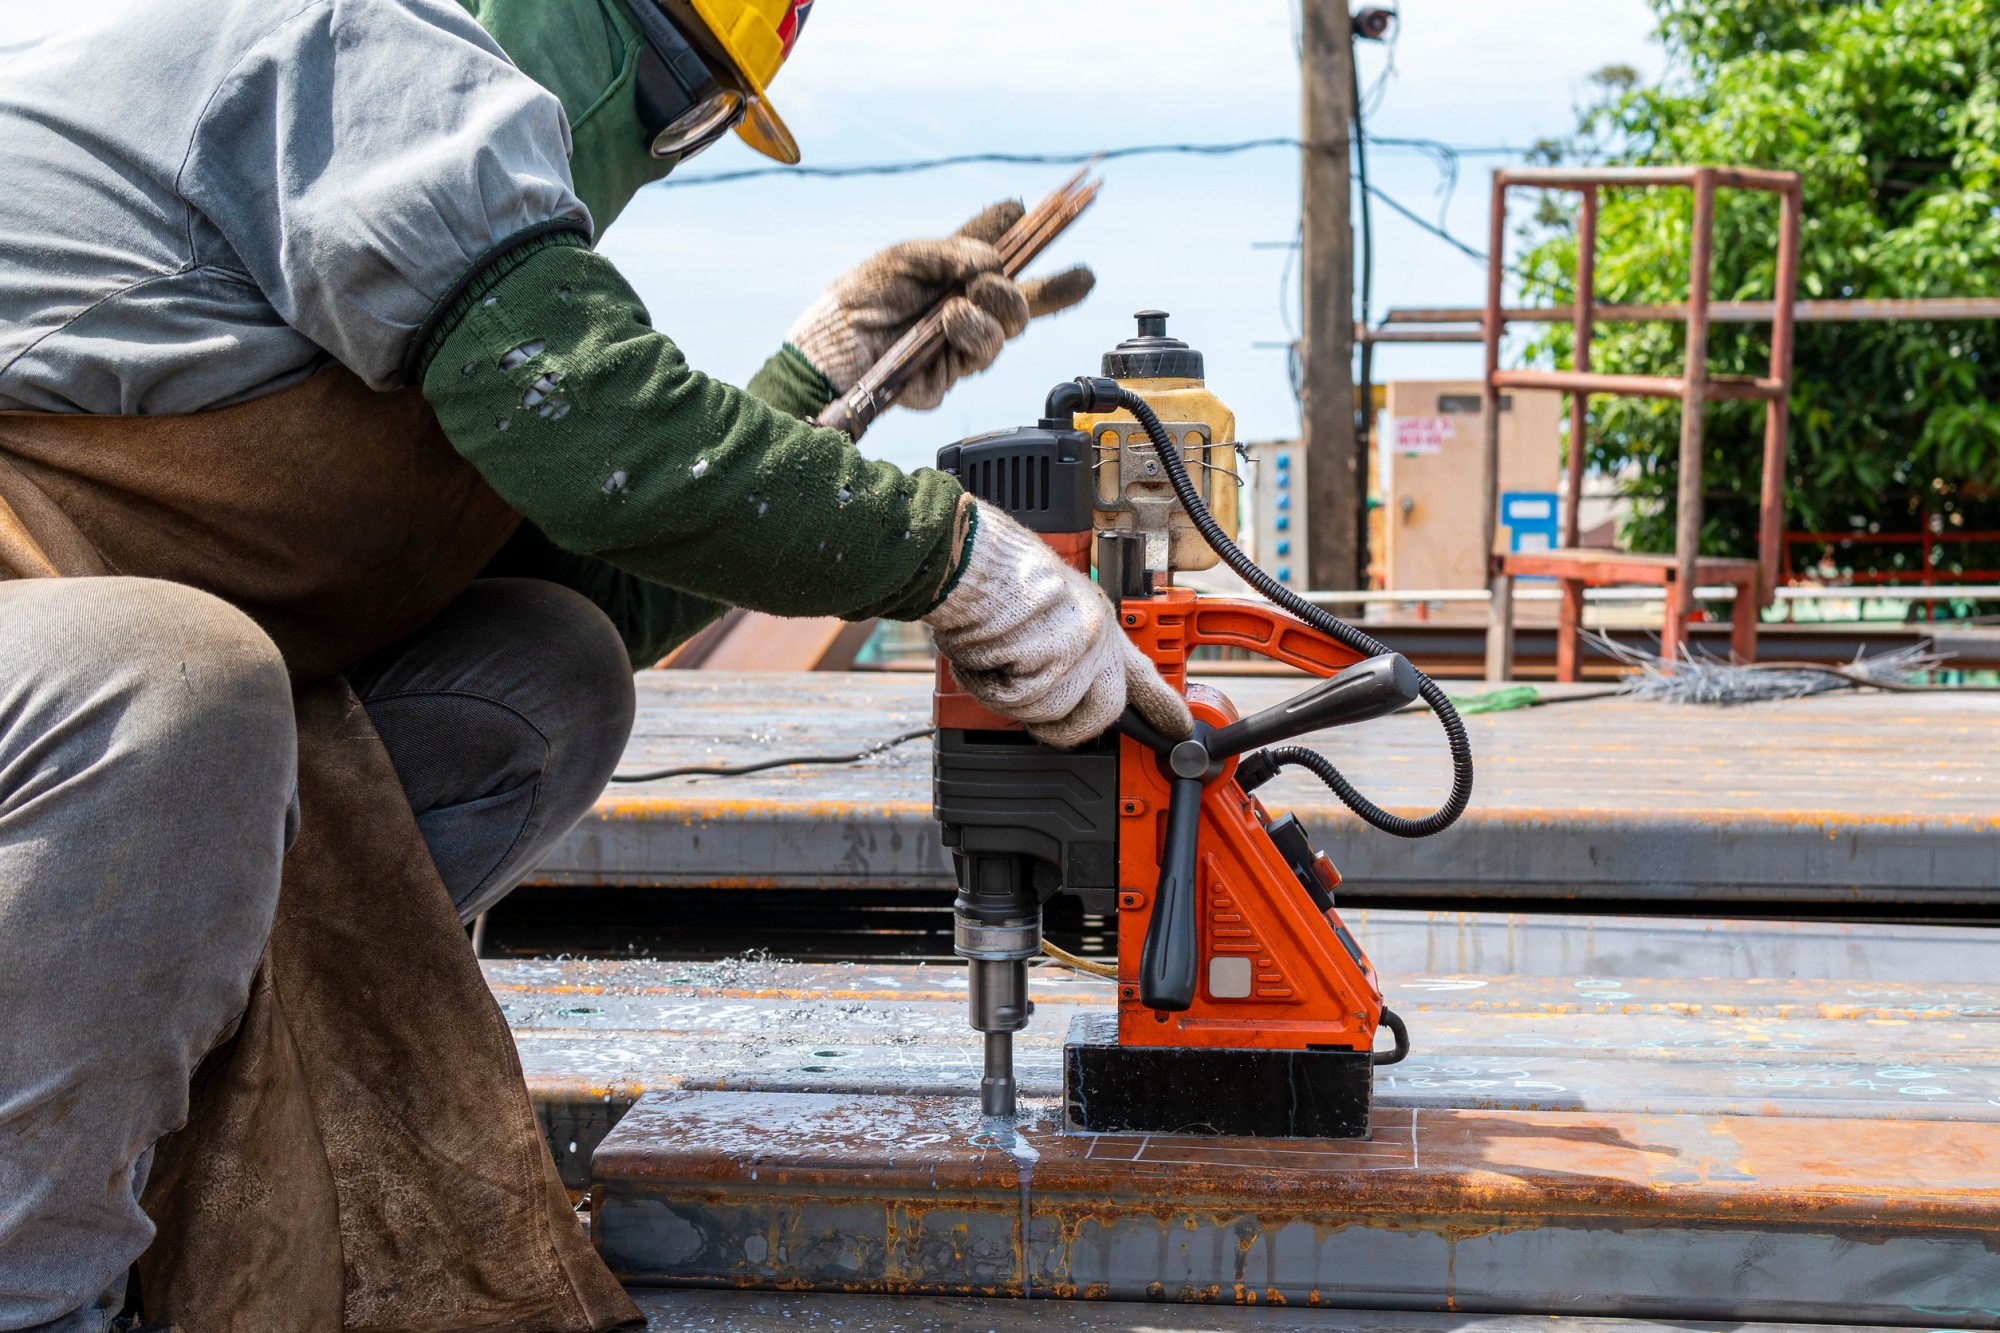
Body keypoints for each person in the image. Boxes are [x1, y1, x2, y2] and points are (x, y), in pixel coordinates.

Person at [0, 0, 1191, 1326]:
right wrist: (957, 558)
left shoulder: (389, 241)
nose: (651, 143)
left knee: (544, 670)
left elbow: (574, 567)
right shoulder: (349, 38)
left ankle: (155, 1140)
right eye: (674, 89)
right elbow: (602, 431)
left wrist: (820, 383)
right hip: (63, 679)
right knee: (170, 682)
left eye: (697, 121)